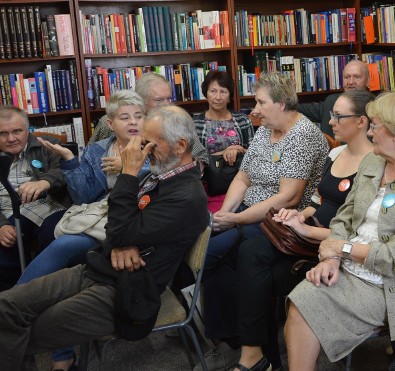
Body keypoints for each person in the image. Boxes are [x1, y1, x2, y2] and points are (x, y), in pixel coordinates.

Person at [0, 105, 209, 370]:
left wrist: (128, 173)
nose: (141, 151)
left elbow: (119, 227)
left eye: (148, 144)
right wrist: (119, 243)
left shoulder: (186, 196)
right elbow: (115, 219)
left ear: (179, 146)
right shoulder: (161, 176)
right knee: (6, 308)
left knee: (24, 332)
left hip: (125, 292)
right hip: (99, 267)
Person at [195, 90, 376, 371]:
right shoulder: (338, 153)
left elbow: (355, 230)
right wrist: (298, 215)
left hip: (328, 246)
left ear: (363, 122)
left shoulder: (373, 164)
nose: (331, 122)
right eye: (332, 115)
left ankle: (255, 357)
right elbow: (316, 200)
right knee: (245, 255)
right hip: (305, 232)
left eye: (339, 116)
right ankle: (253, 353)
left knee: (247, 254)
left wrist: (304, 230)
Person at [284, 90, 395, 370]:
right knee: (300, 300)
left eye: (375, 125)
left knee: (306, 304)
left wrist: (342, 249)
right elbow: (344, 218)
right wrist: (331, 259)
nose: (370, 132)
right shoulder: (373, 163)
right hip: (352, 267)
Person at [199, 72, 328, 368]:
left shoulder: (303, 134)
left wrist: (236, 219)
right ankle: (233, 341)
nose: (254, 110)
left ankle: (257, 353)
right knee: (213, 246)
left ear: (282, 104)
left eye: (260, 102)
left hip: (283, 221)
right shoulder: (264, 130)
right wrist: (226, 213)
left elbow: (288, 198)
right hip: (249, 212)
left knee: (219, 253)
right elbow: (244, 177)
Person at [15, 90, 149, 371]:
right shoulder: (98, 149)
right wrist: (70, 161)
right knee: (67, 269)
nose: (133, 122)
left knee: (64, 248)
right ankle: (60, 353)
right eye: (124, 117)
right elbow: (83, 196)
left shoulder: (153, 147)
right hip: (95, 218)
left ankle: (13, 306)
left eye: (139, 115)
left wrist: (130, 168)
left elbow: (158, 186)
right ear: (111, 123)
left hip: (131, 224)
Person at [0, 107, 70, 291]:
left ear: (27, 129)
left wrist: (45, 181)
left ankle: (47, 294)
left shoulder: (48, 144)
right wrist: (0, 225)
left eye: (17, 131)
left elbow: (68, 171)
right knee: (3, 252)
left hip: (48, 206)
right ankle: (12, 301)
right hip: (7, 213)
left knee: (56, 237)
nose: (11, 138)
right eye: (3, 133)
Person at [87, 72, 209, 165]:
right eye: (159, 100)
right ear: (141, 101)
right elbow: (88, 158)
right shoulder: (109, 122)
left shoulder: (178, 122)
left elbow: (202, 158)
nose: (167, 105)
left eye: (169, 99)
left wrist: (130, 166)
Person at [192, 70, 254, 213]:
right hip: (207, 186)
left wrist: (239, 149)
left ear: (230, 96)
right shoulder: (195, 124)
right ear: (205, 94)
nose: (218, 97)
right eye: (213, 91)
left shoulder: (243, 121)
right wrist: (224, 152)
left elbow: (255, 155)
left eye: (223, 91)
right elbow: (194, 161)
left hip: (242, 183)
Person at [297, 59, 370, 136]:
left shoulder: (375, 109)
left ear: (368, 80)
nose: (351, 82)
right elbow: (297, 109)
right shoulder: (331, 101)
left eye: (356, 77)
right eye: (347, 77)